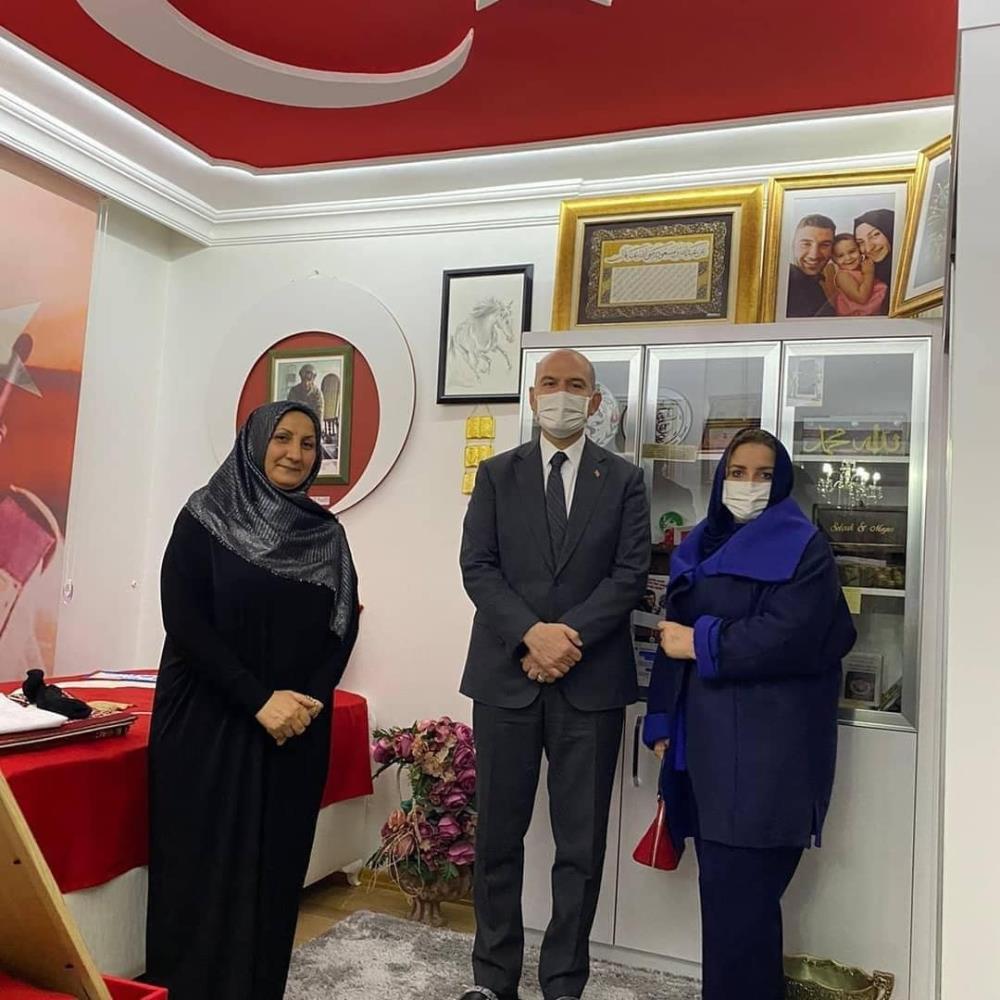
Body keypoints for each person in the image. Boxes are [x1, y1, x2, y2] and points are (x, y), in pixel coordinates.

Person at [146, 401, 360, 1000]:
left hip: (291, 732)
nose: (295, 453)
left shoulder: (327, 535)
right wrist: (257, 698)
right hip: (207, 720)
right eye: (282, 438)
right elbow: (184, 621)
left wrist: (306, 703)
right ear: (255, 441)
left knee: (273, 877)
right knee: (199, 876)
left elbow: (343, 628)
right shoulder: (205, 515)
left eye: (309, 444)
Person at [458, 349, 650, 1000]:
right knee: (497, 838)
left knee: (580, 846)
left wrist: (565, 639)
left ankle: (564, 983)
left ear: (594, 402)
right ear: (533, 395)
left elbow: (629, 575)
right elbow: (478, 567)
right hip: (504, 679)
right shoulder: (496, 474)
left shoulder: (623, 481)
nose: (561, 394)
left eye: (575, 385)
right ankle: (493, 979)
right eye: (549, 383)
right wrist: (530, 635)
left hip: (589, 683)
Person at [643, 428, 856, 1000]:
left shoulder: (804, 548)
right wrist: (661, 719)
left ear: (781, 482)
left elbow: (790, 636)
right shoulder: (701, 543)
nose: (749, 485)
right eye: (737, 473)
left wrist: (703, 642)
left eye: (763, 475)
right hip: (707, 747)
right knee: (726, 901)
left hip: (767, 753)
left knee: (744, 905)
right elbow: (670, 635)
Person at [786, 214, 836, 317]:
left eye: (824, 245)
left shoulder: (815, 282)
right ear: (793, 244)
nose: (814, 255)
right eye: (806, 244)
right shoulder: (786, 282)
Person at [827, 233, 888, 317]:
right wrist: (869, 273)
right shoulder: (842, 276)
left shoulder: (863, 266)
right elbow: (861, 298)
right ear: (834, 260)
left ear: (860, 250)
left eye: (852, 251)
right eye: (840, 256)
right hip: (860, 316)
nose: (848, 258)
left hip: (876, 309)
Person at [854, 209, 895, 315]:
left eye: (875, 235)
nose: (868, 248)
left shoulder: (912, 273)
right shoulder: (863, 274)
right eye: (860, 242)